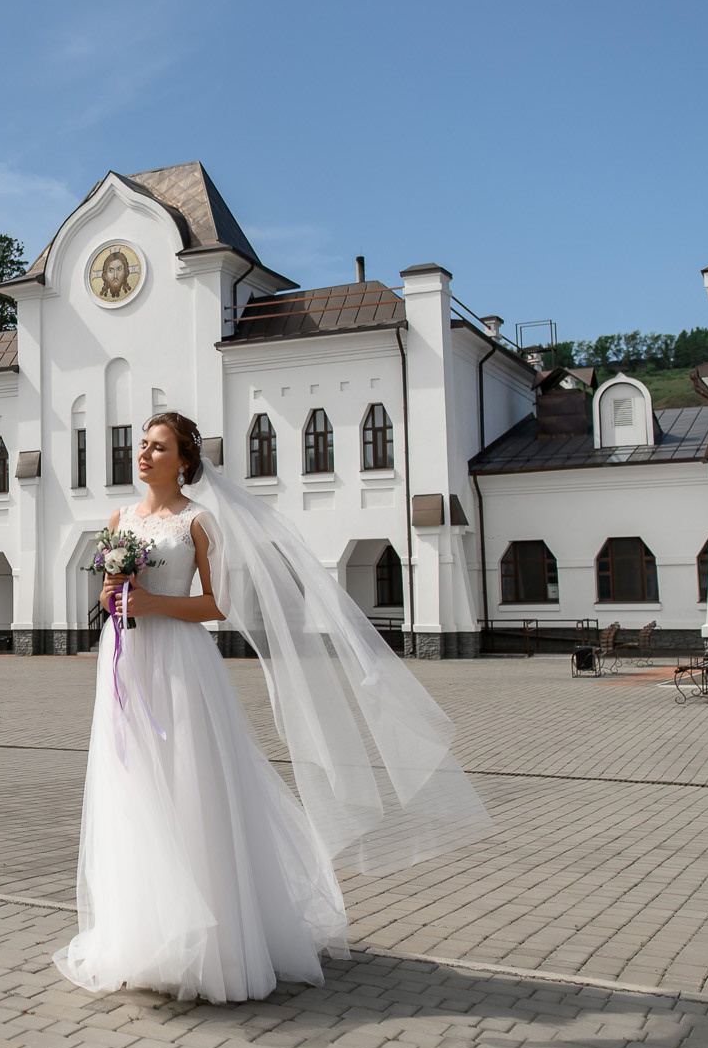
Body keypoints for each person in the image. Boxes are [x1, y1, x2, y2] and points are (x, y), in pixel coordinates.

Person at [53, 412, 488, 1003]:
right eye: (143, 445)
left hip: (180, 661)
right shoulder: (118, 520)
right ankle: (142, 936)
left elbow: (218, 604)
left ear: (184, 461)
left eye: (159, 447)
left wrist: (154, 604)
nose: (145, 455)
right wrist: (113, 598)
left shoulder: (198, 521)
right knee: (132, 785)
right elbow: (113, 597)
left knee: (190, 782)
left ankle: (211, 944)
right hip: (126, 661)